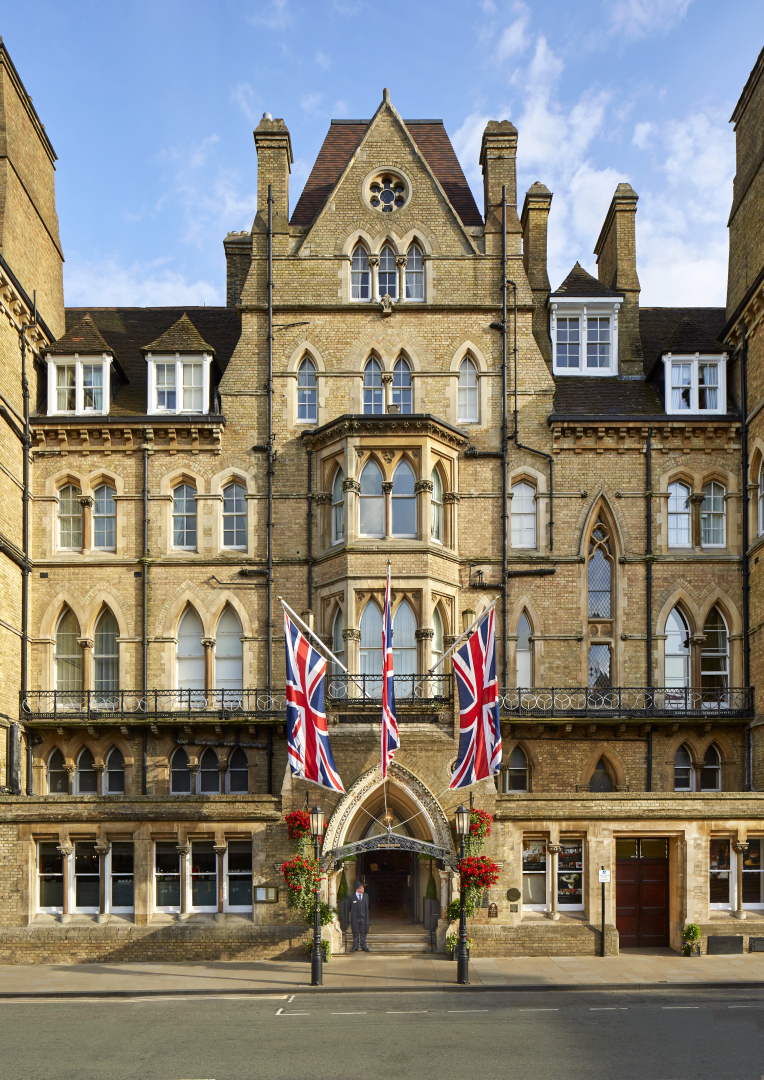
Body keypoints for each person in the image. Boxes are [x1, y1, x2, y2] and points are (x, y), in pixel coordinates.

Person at [349, 880, 370, 952]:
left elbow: (366, 906)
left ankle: (364, 946)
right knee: (355, 932)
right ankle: (355, 946)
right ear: (357, 889)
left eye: (363, 887)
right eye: (361, 888)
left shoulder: (366, 896)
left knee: (363, 932)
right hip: (355, 918)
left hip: (363, 917)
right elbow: (348, 907)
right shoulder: (351, 897)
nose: (363, 889)